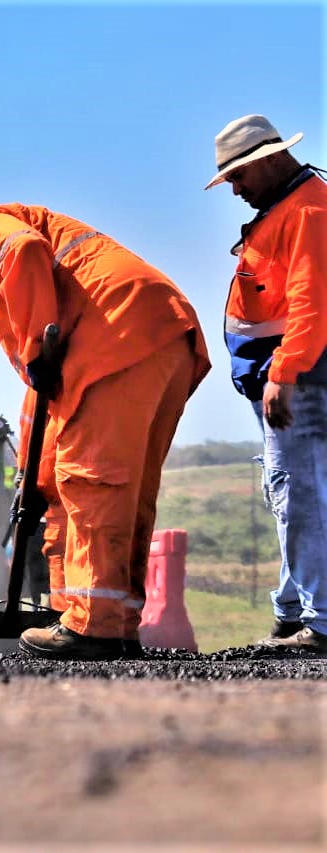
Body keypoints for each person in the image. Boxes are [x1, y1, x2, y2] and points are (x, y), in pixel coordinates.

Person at [0, 204, 210, 660]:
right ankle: (115, 625)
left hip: (120, 338)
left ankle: (93, 628)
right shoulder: (54, 299)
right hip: (163, 337)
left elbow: (23, 249)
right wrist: (35, 482)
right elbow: (46, 405)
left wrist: (35, 345)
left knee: (90, 483)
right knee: (125, 494)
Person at [205, 115, 327, 651]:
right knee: (294, 493)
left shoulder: (307, 211)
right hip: (292, 379)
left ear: (270, 159)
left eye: (238, 175)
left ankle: (320, 620)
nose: (234, 188)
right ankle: (293, 610)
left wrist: (283, 372)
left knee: (299, 494)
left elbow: (312, 303)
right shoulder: (292, 208)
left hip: (299, 380)